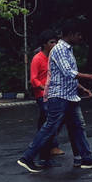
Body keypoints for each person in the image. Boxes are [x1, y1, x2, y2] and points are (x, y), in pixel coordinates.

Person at [16, 19, 92, 173]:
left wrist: (80, 88)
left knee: (78, 127)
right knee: (50, 127)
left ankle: (86, 158)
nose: (81, 38)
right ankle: (27, 157)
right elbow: (68, 72)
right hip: (59, 97)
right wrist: (90, 77)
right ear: (70, 34)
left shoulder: (68, 50)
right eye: (78, 35)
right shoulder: (59, 49)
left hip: (69, 96)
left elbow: (67, 75)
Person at [30, 30, 64, 164]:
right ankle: (47, 147)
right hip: (42, 95)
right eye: (52, 42)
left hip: (53, 94)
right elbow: (33, 79)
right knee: (50, 121)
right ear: (44, 44)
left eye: (56, 42)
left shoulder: (53, 58)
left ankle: (47, 146)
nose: (55, 45)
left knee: (50, 121)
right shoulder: (37, 58)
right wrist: (44, 88)